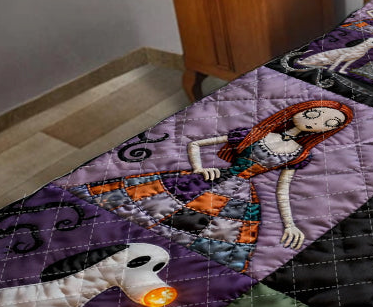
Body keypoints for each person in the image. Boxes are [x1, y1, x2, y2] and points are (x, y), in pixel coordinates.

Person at [69, 100, 352, 272]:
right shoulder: (254, 134)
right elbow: (196, 144)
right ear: (298, 111)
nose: (320, 123)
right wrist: (199, 168)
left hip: (240, 194)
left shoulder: (298, 154)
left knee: (213, 235)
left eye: (329, 124)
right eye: (315, 114)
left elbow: (283, 190)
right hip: (208, 178)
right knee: (148, 204)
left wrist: (289, 224)